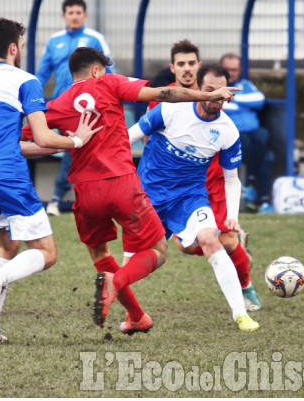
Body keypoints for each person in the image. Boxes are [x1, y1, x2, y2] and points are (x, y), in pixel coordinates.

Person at [21, 47, 240, 334]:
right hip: (123, 185)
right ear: (97, 70)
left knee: (101, 256)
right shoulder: (110, 82)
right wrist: (208, 95)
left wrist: (72, 143)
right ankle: (116, 283)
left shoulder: (58, 104)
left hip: (86, 194)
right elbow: (164, 94)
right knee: (158, 250)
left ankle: (137, 316)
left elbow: (26, 145)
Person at [0, 18, 102, 346]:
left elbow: (14, 142)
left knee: (8, 245)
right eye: (21, 46)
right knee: (47, 253)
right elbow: (41, 133)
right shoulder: (25, 80)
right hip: (6, 176)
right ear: (13, 48)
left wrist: (59, 142)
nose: (22, 52)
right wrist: (77, 141)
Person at [128, 64, 260, 331]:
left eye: (221, 92)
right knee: (135, 262)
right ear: (198, 90)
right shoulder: (170, 109)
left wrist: (233, 217)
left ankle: (240, 314)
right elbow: (128, 138)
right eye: (210, 91)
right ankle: (131, 314)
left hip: (189, 197)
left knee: (210, 238)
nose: (216, 97)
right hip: (149, 196)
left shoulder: (227, 131)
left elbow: (232, 179)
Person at [36, 0, 114, 216]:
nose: (74, 16)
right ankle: (73, 199)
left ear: (85, 15)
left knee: (76, 149)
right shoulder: (54, 41)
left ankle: (58, 198)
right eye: (70, 12)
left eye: (78, 12)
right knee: (70, 147)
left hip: (88, 108)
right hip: (61, 106)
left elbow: (111, 70)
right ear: (64, 16)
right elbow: (42, 74)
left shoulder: (95, 38)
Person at [219, 53, 274, 214]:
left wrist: (233, 99)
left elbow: (260, 100)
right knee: (264, 154)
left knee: (263, 137)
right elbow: (221, 106)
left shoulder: (246, 84)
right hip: (233, 135)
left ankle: (251, 189)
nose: (230, 72)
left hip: (253, 132)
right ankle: (260, 198)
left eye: (234, 69)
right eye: (227, 69)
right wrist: (245, 103)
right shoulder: (216, 85)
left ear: (240, 70)